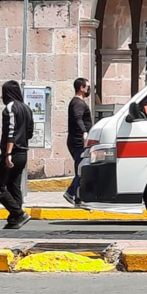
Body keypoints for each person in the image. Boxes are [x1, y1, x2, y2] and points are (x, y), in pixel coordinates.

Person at [0, 80, 34, 229]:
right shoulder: (27, 108)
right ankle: (14, 219)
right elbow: (30, 133)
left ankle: (18, 213)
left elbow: (11, 131)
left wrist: (8, 153)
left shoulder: (10, 108)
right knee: (14, 185)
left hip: (12, 152)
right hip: (23, 152)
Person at [64, 78, 93, 206]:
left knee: (81, 169)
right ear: (81, 88)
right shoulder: (78, 103)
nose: (89, 89)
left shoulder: (77, 102)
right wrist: (84, 132)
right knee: (81, 170)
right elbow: (78, 118)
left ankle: (75, 196)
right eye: (88, 87)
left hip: (77, 142)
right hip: (78, 142)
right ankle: (72, 194)